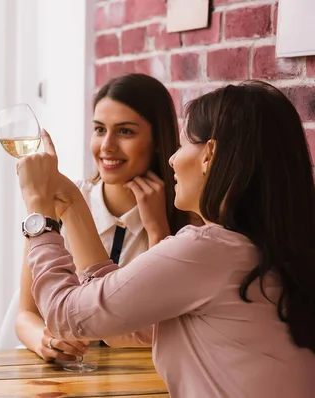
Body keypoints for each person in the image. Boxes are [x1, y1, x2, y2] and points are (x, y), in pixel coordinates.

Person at [17, 81, 315, 397]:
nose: (173, 159)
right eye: (99, 129)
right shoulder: (265, 247)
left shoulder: (207, 250)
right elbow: (122, 319)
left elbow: (68, 315)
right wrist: (74, 204)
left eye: (184, 144)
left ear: (208, 155)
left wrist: (38, 210)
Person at [15, 73, 191, 362]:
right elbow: (26, 314)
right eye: (99, 129)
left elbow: (170, 325)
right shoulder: (62, 200)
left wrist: (158, 230)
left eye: (125, 132)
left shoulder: (184, 214)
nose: (106, 145)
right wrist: (44, 340)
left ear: (158, 141)